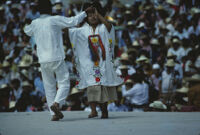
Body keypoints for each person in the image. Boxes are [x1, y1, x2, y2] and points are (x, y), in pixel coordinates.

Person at [24, 0, 93, 121]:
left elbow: (27, 31)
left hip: (43, 60)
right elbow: (74, 21)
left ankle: (54, 114)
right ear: (50, 9)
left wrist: (25, 24)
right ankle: (56, 104)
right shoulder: (54, 19)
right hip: (56, 56)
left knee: (49, 86)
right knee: (64, 82)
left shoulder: (35, 23)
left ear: (39, 10)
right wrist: (84, 13)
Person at [68, 2, 123, 119]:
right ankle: (93, 110)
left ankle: (104, 111)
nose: (93, 17)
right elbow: (74, 38)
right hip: (89, 63)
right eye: (90, 15)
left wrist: (99, 15)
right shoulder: (82, 29)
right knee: (91, 85)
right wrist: (75, 57)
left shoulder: (103, 27)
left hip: (103, 62)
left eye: (95, 14)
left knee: (102, 87)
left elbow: (109, 27)